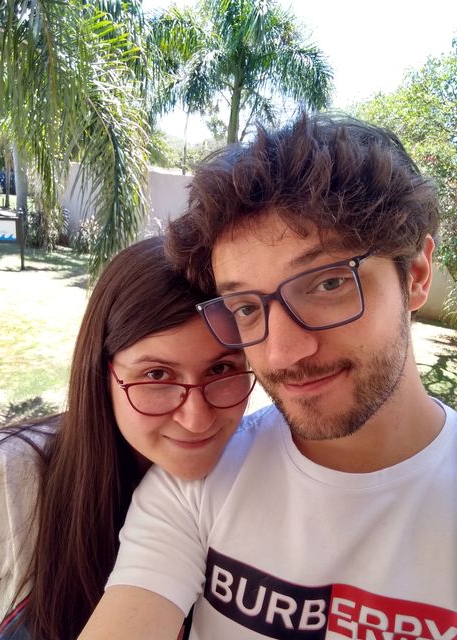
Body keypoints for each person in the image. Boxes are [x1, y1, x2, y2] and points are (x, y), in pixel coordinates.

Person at [79, 113, 457, 639]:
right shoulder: (203, 482)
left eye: (328, 284)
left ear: (415, 275)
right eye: (245, 307)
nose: (281, 353)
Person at [0, 236, 256, 639]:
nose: (197, 419)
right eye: (157, 375)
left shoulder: (262, 481)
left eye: (220, 370)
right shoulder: (2, 484)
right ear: (101, 374)